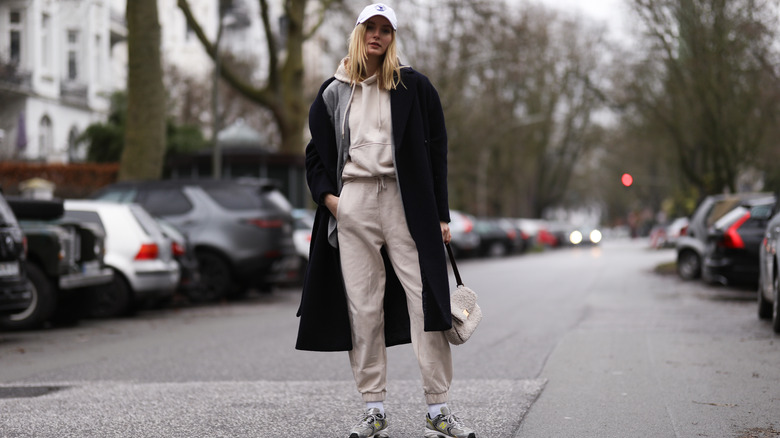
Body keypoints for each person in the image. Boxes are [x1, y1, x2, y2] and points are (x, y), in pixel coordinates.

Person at [295, 3, 477, 438]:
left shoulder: (414, 87)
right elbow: (315, 156)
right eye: (370, 27)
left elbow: (437, 153)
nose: (377, 35)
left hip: (405, 202)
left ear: (393, 37)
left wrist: (441, 214)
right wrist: (332, 201)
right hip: (353, 202)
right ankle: (373, 409)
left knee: (427, 302)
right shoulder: (333, 91)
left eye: (385, 29)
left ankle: (439, 410)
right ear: (358, 32)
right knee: (363, 307)